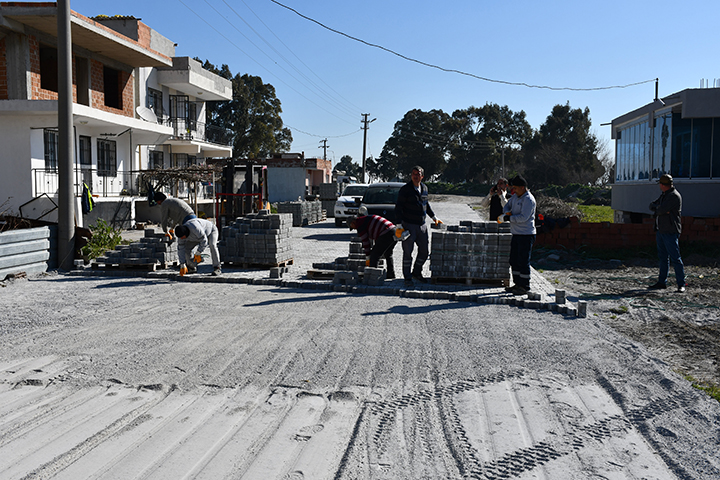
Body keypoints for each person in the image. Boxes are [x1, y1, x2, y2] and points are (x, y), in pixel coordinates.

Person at [395, 165, 441, 286]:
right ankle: (407, 278)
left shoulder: (424, 188)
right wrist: (399, 225)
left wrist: (434, 217)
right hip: (408, 225)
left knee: (424, 251)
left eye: (418, 174)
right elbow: (398, 207)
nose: (415, 176)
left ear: (422, 176)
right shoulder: (405, 189)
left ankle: (416, 272)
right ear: (411, 175)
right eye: (413, 173)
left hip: (422, 226)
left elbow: (426, 204)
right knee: (407, 253)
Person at [648, 174, 686, 292]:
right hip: (661, 230)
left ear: (663, 185)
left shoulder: (674, 196)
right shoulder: (664, 195)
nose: (659, 185)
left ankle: (681, 284)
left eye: (660, 183)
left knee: (675, 258)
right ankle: (661, 282)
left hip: (670, 231)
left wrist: (659, 209)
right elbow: (653, 206)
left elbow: (660, 209)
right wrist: (660, 209)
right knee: (663, 258)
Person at [501, 175, 536, 295]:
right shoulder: (515, 197)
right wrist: (506, 212)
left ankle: (525, 286)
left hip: (526, 234)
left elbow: (523, 218)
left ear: (523, 187)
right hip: (516, 234)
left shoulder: (529, 200)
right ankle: (517, 284)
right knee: (514, 260)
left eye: (515, 188)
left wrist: (508, 218)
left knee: (523, 260)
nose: (513, 190)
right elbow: (507, 206)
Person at [349, 214, 398, 279]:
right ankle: (391, 275)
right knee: (388, 253)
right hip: (394, 231)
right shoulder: (364, 219)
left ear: (352, 222)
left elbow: (366, 243)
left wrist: (368, 257)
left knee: (374, 255)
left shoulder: (360, 224)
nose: (354, 229)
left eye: (352, 227)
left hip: (386, 233)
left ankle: (372, 277)